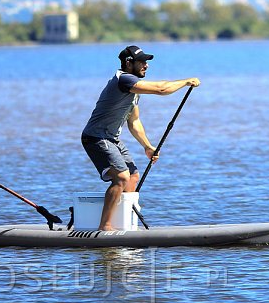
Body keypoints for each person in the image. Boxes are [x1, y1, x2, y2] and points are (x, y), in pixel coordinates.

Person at [81, 44, 200, 230]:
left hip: (111, 138)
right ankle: (105, 226)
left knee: (132, 177)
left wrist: (147, 146)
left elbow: (134, 122)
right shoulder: (125, 80)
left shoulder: (133, 89)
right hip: (95, 137)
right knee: (121, 177)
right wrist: (185, 82)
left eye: (146, 62)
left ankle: (123, 223)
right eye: (142, 62)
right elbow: (161, 89)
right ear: (129, 63)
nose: (146, 65)